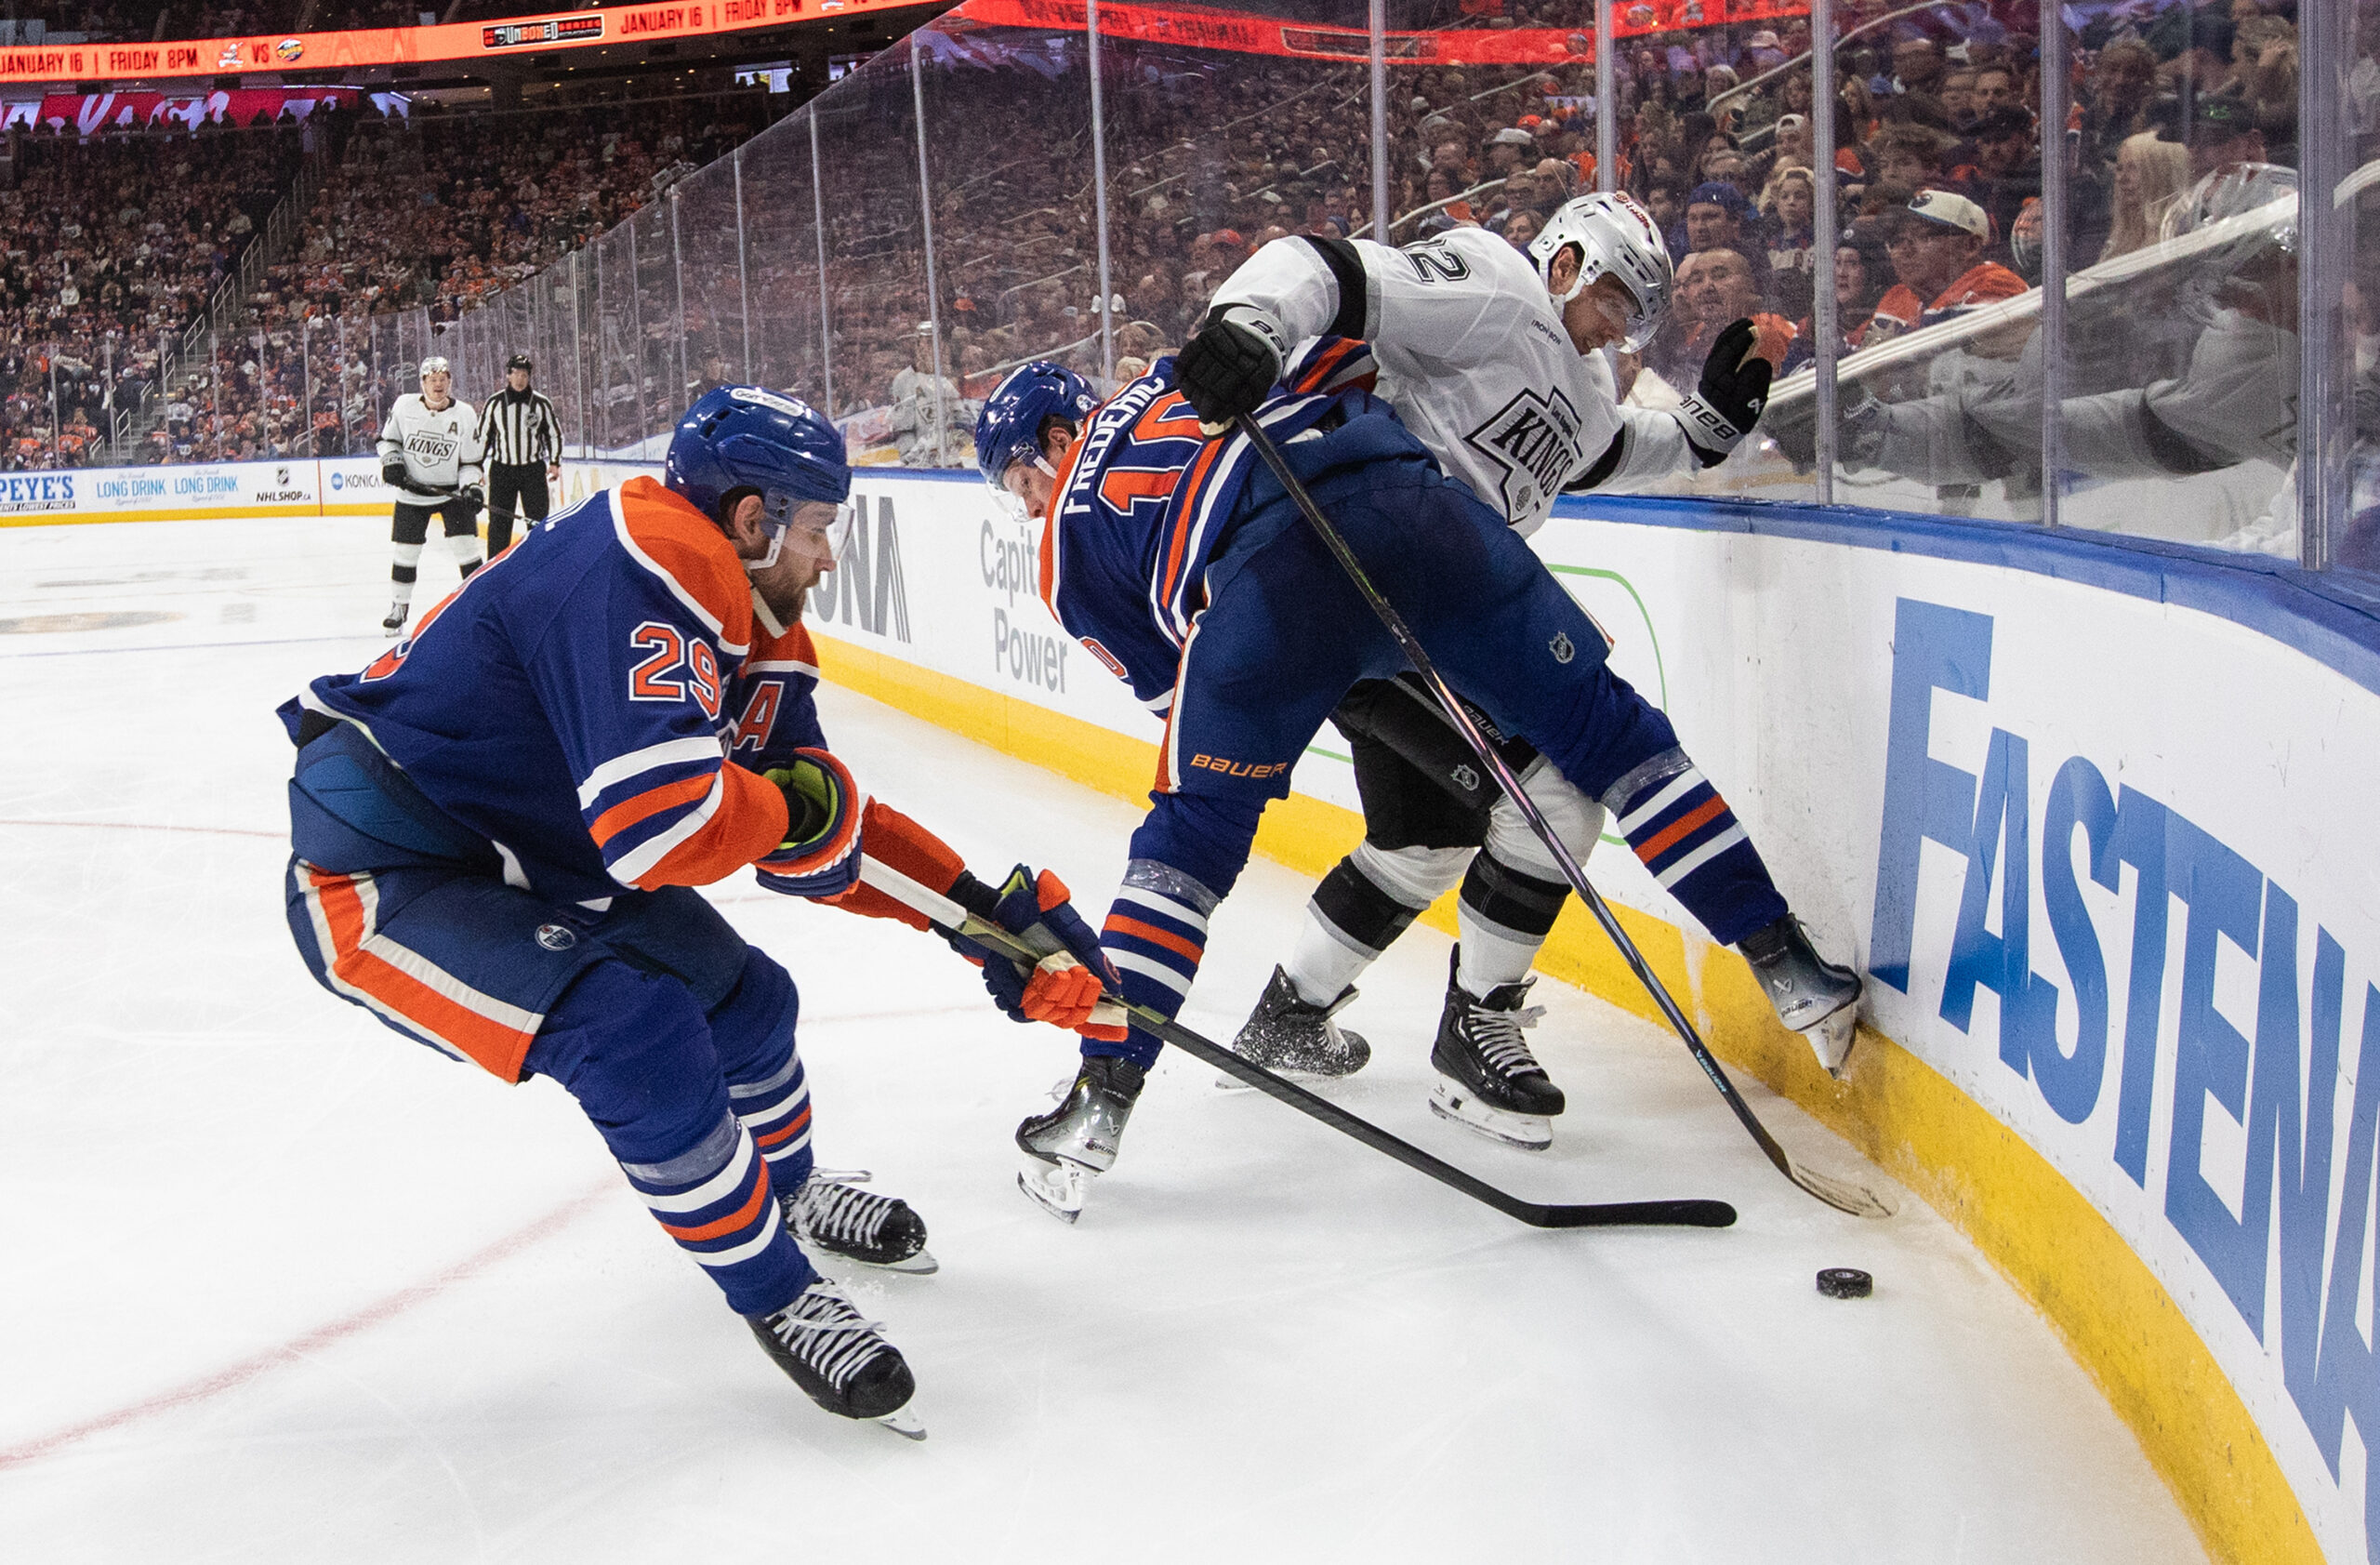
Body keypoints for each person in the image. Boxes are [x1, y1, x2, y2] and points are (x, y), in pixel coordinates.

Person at [975, 200, 1859, 1215]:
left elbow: (1599, 443)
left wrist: (1705, 430)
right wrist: (1262, 325)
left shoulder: (1068, 529)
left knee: (1281, 838)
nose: (1617, 326)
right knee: (1587, 769)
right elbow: (1321, 286)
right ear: (1564, 261)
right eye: (1613, 296)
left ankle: (1128, 1082)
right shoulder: (1493, 278)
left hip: (1278, 603)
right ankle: (1564, 1005)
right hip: (1420, 546)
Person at [280, 386, 1115, 1436]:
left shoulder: (750, 619)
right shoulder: (653, 557)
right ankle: (777, 1292)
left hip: (541, 855)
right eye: (817, 530)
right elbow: (662, 830)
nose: (829, 558)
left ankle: (797, 1192)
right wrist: (789, 805)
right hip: (391, 871)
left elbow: (814, 842)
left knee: (749, 1000)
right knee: (636, 1035)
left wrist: (982, 917)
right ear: (754, 520)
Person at [375, 355, 484, 637]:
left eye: (443, 378)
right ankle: (399, 607)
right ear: (422, 382)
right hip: (412, 493)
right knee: (406, 553)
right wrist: (392, 462)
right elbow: (388, 441)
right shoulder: (404, 406)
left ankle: (481, 606)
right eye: (432, 379)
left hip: (451, 493)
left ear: (449, 381)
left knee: (467, 550)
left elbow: (471, 462)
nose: (438, 384)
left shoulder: (465, 414)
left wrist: (472, 488)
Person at [476, 351, 563, 557]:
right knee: (499, 522)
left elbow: (554, 433)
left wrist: (555, 462)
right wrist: (476, 466)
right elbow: (482, 437)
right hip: (502, 469)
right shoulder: (495, 403)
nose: (520, 379)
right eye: (516, 374)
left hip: (532, 470)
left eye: (524, 375)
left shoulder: (541, 404)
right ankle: (495, 569)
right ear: (508, 375)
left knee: (538, 522)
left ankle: (540, 564)